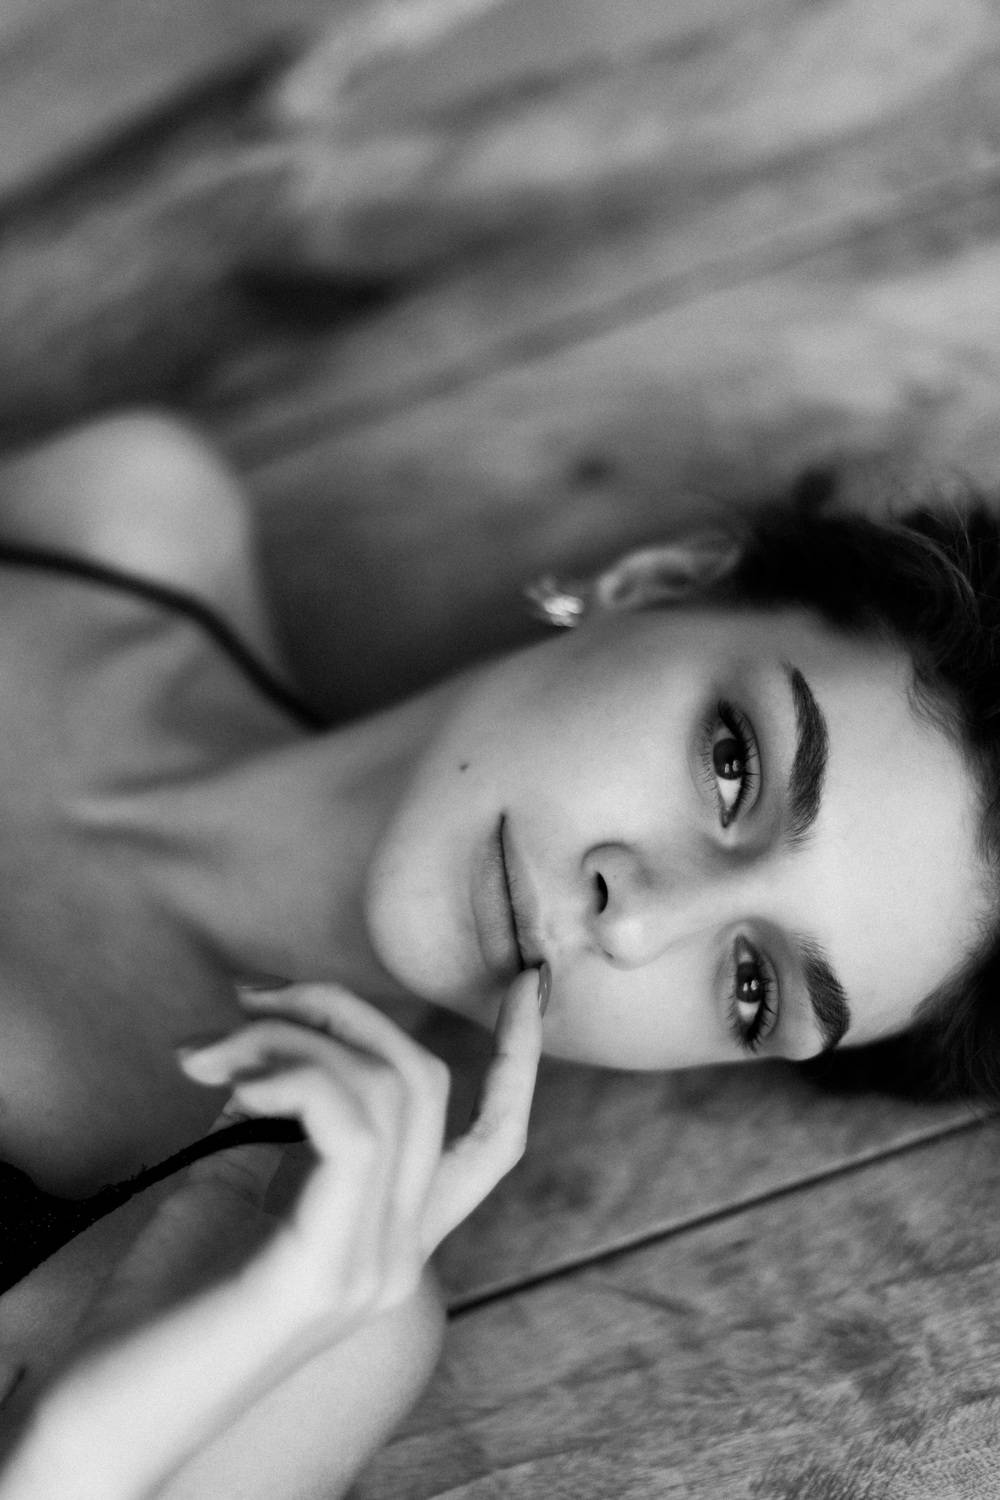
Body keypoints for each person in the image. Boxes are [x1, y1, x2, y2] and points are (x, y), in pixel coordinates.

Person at [0, 410, 996, 1493]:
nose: (636, 924)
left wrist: (88, 1440)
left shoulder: (303, 1333)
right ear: (657, 585)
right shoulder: (119, 522)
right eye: (732, 766)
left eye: (752, 986)